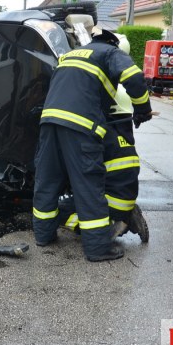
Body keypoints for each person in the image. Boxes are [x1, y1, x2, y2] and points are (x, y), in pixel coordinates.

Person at [33, 25, 152, 262]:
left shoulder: (70, 55)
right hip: (81, 127)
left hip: (49, 122)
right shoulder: (109, 53)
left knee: (47, 180)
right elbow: (134, 77)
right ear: (113, 42)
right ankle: (97, 247)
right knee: (88, 185)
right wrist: (142, 109)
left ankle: (43, 235)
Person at [58, 33, 149, 242]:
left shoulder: (96, 129)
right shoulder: (123, 131)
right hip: (125, 195)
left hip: (105, 203)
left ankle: (107, 226)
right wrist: (143, 109)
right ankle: (124, 214)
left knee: (56, 210)